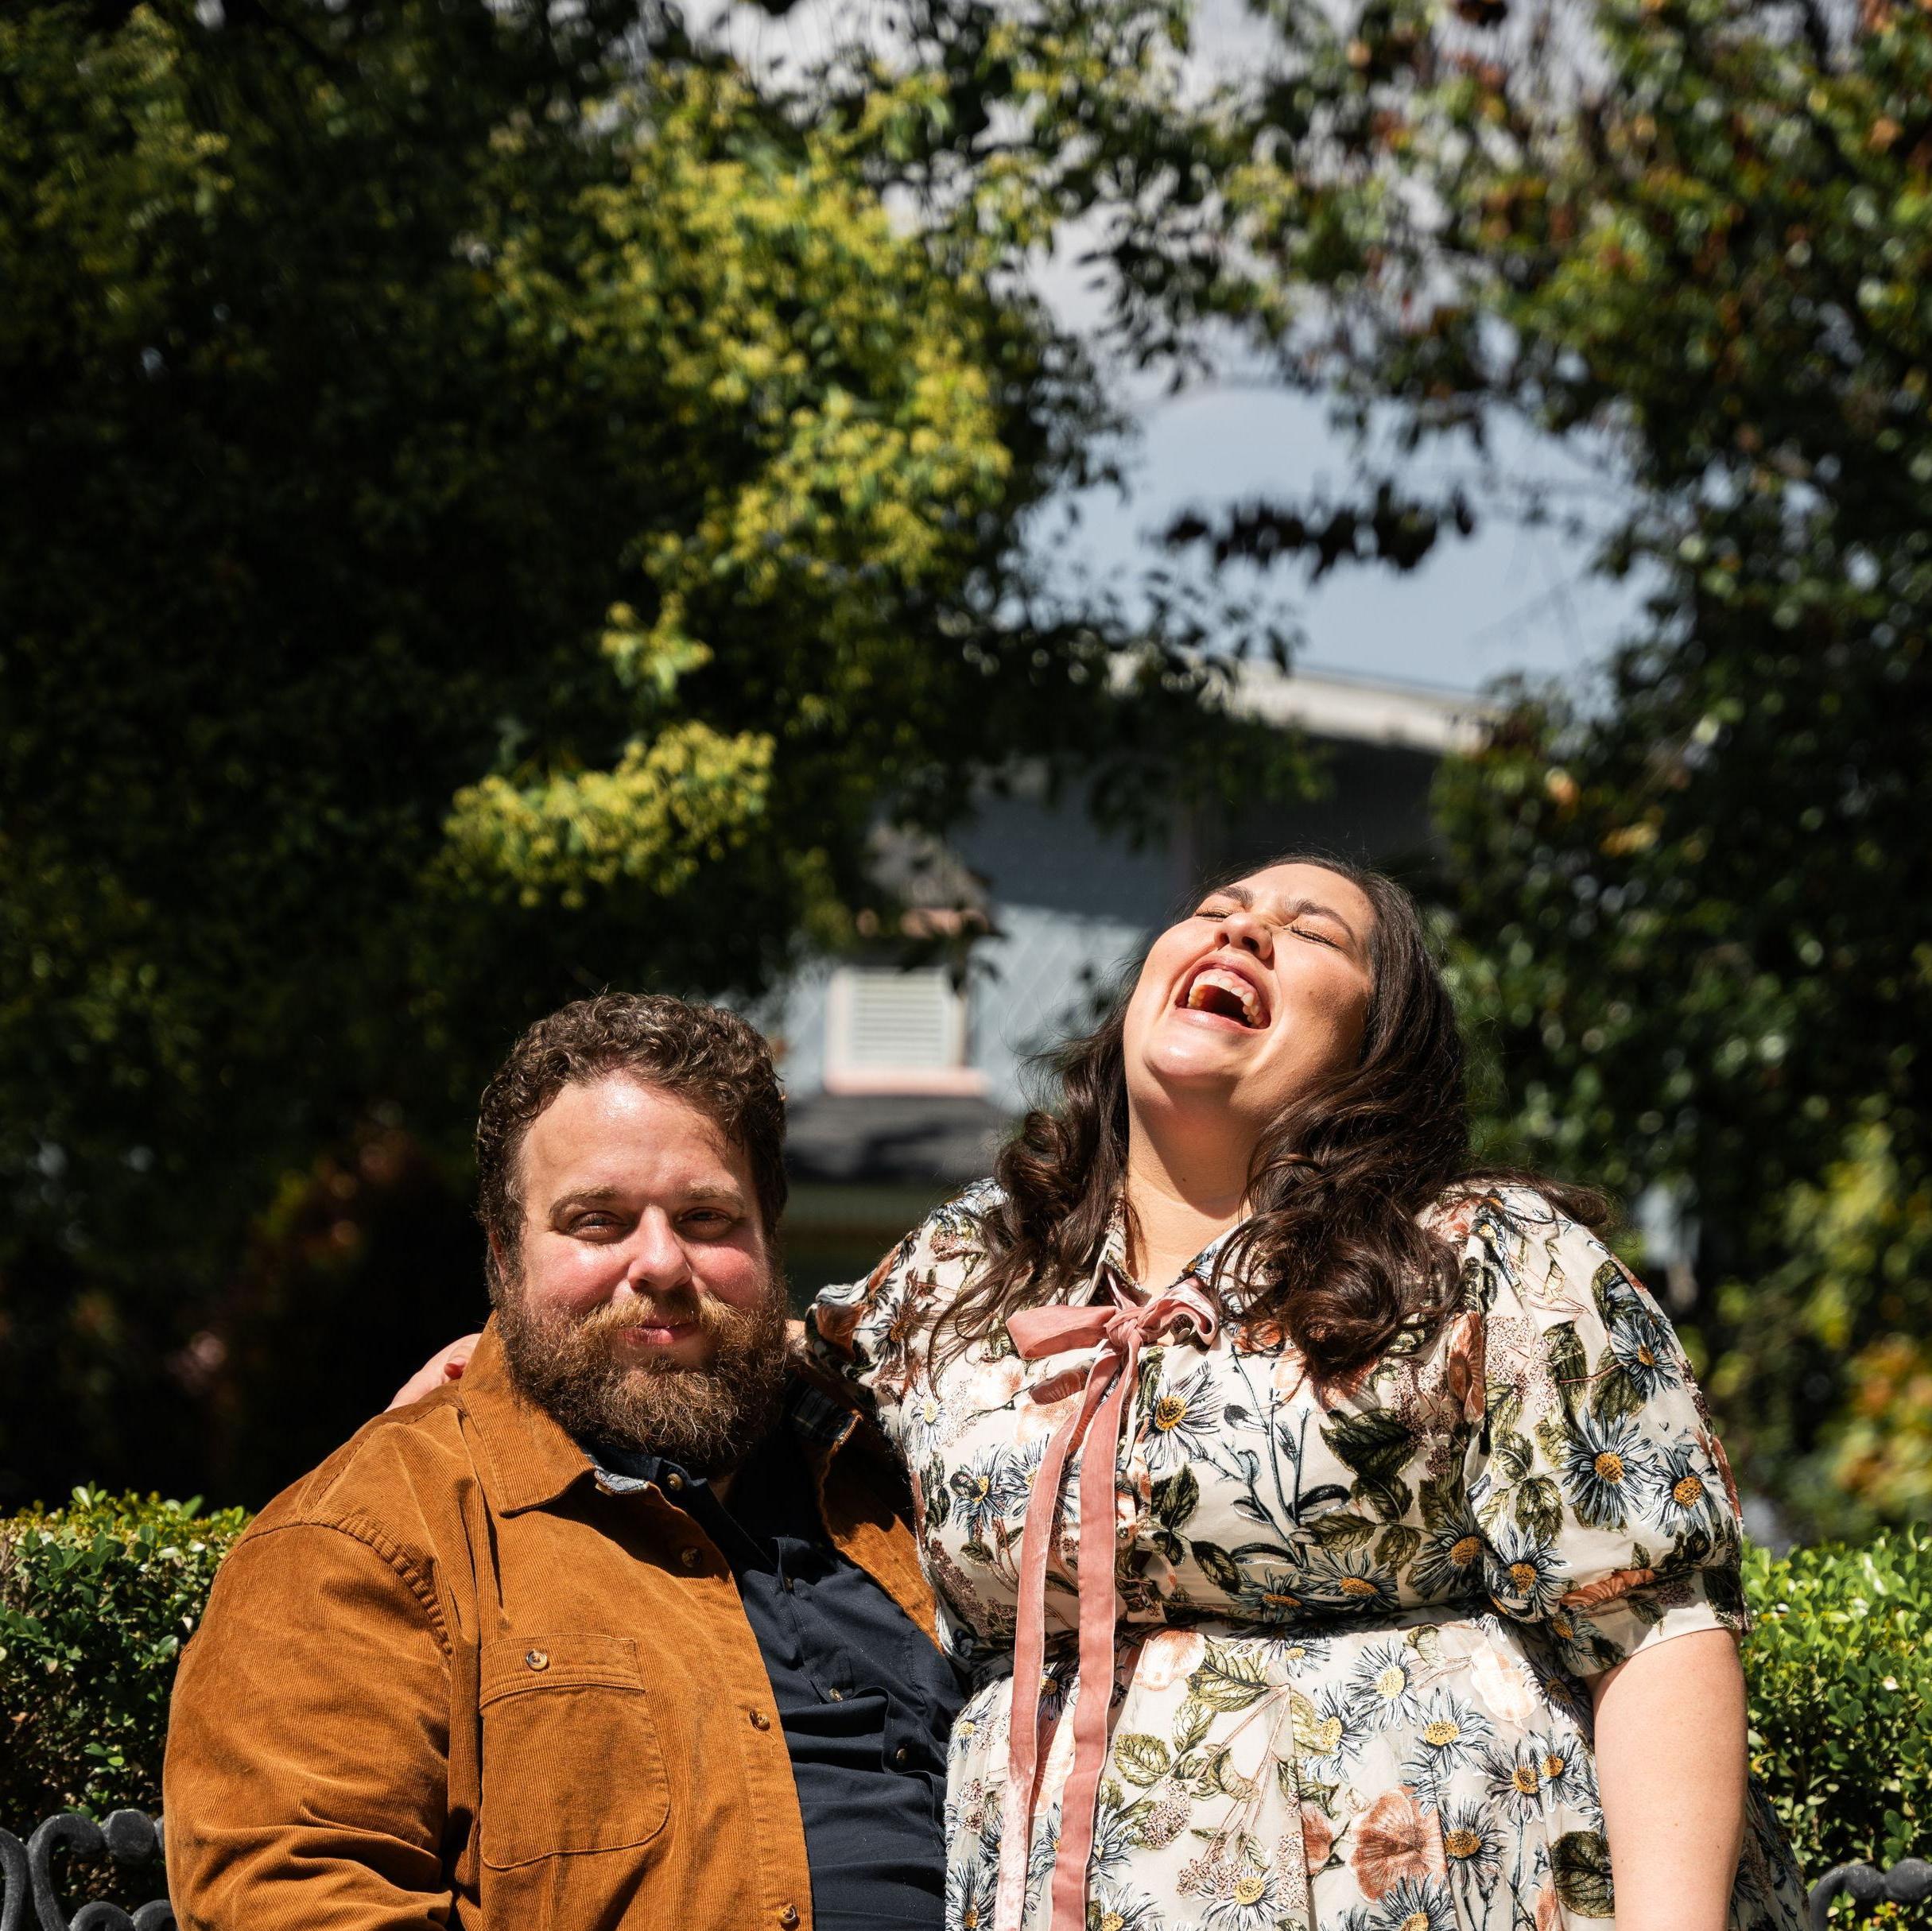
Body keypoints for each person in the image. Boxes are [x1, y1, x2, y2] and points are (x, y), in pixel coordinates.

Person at [803, 854, 1809, 1931]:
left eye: (1312, 932)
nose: (1241, 932)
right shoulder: (963, 1274)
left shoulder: (1484, 1258)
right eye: (1214, 910)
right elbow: (749, 1395)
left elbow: (1654, 1629)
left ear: (1382, 1044)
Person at [162, 993, 964, 1931]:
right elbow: (295, 1894)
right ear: (505, 1259)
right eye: (597, 1220)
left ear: (768, 1240)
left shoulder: (901, 1482)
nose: (661, 1261)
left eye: (707, 1217)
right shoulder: (370, 1534)